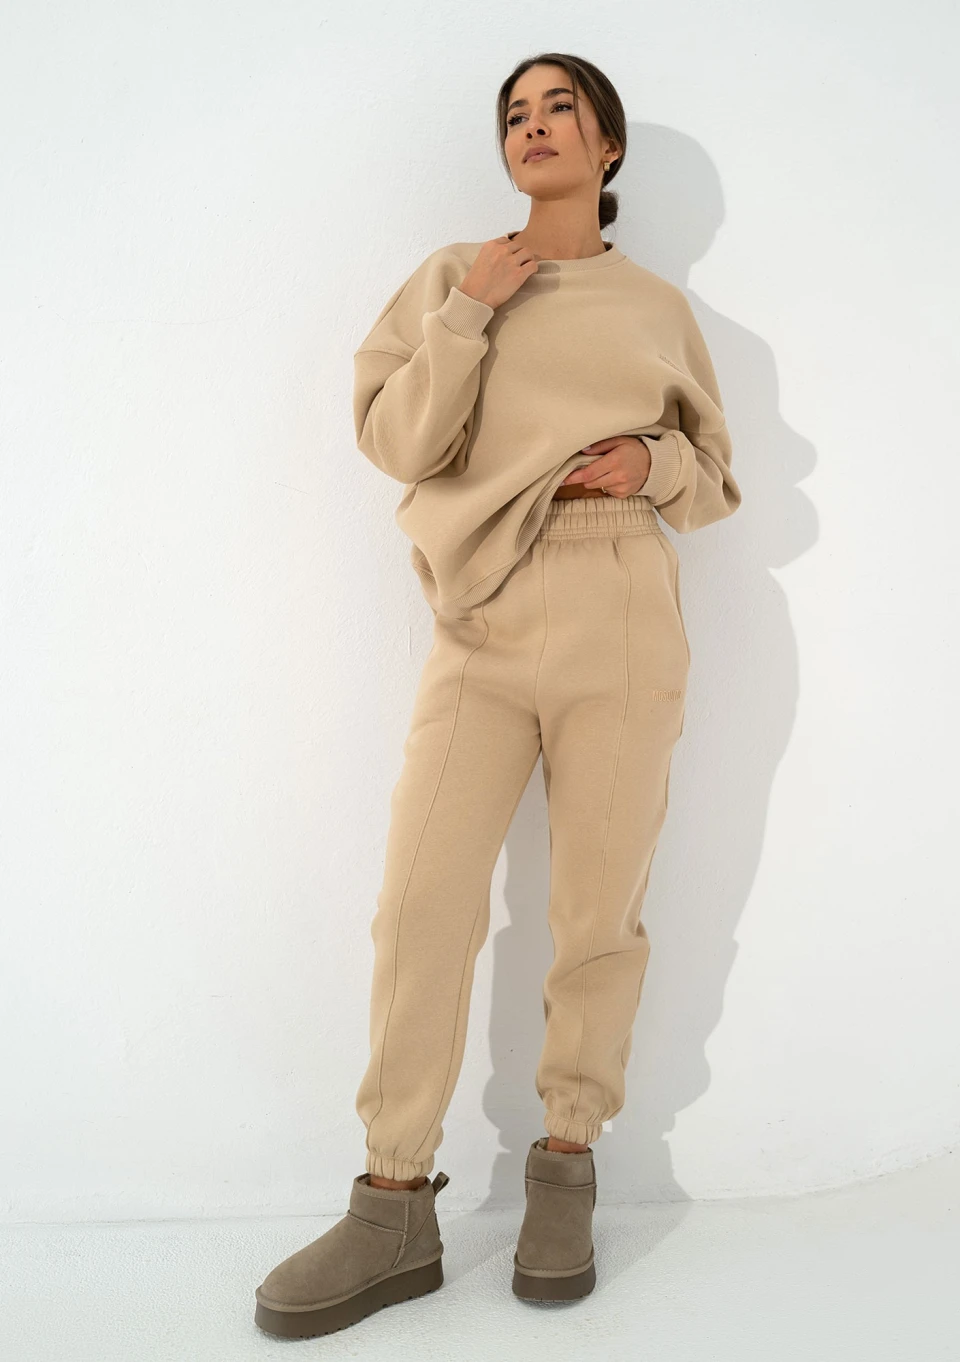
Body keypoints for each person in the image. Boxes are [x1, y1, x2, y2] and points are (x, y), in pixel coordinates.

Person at [254, 50, 741, 1339]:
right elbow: (399, 442)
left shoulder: (655, 309)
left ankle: (566, 1167)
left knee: (597, 909)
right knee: (421, 902)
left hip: (621, 599)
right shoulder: (453, 276)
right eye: (516, 114)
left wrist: (654, 460)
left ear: (608, 145)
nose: (535, 127)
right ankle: (391, 1203)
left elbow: (715, 473)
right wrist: (472, 311)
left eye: (560, 107)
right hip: (482, 611)